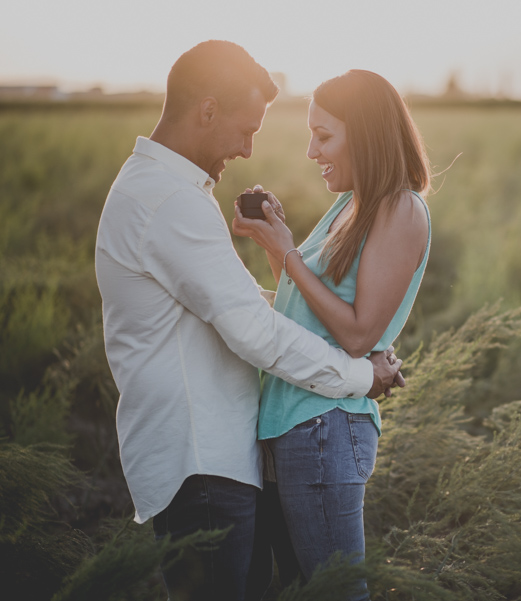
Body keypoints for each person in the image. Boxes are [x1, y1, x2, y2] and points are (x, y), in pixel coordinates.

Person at [94, 42, 402, 601]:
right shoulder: (169, 202)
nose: (247, 147)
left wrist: (286, 278)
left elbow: (240, 305)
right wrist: (361, 376)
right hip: (201, 465)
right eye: (246, 128)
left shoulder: (164, 191)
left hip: (212, 461)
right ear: (207, 111)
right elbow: (252, 332)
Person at [231, 69, 431, 600]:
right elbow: (306, 311)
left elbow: (360, 334)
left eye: (324, 136)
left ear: (364, 134)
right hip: (291, 422)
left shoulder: (401, 209)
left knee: (335, 592)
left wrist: (292, 256)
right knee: (302, 589)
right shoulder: (351, 204)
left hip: (325, 428)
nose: (311, 151)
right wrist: (275, 245)